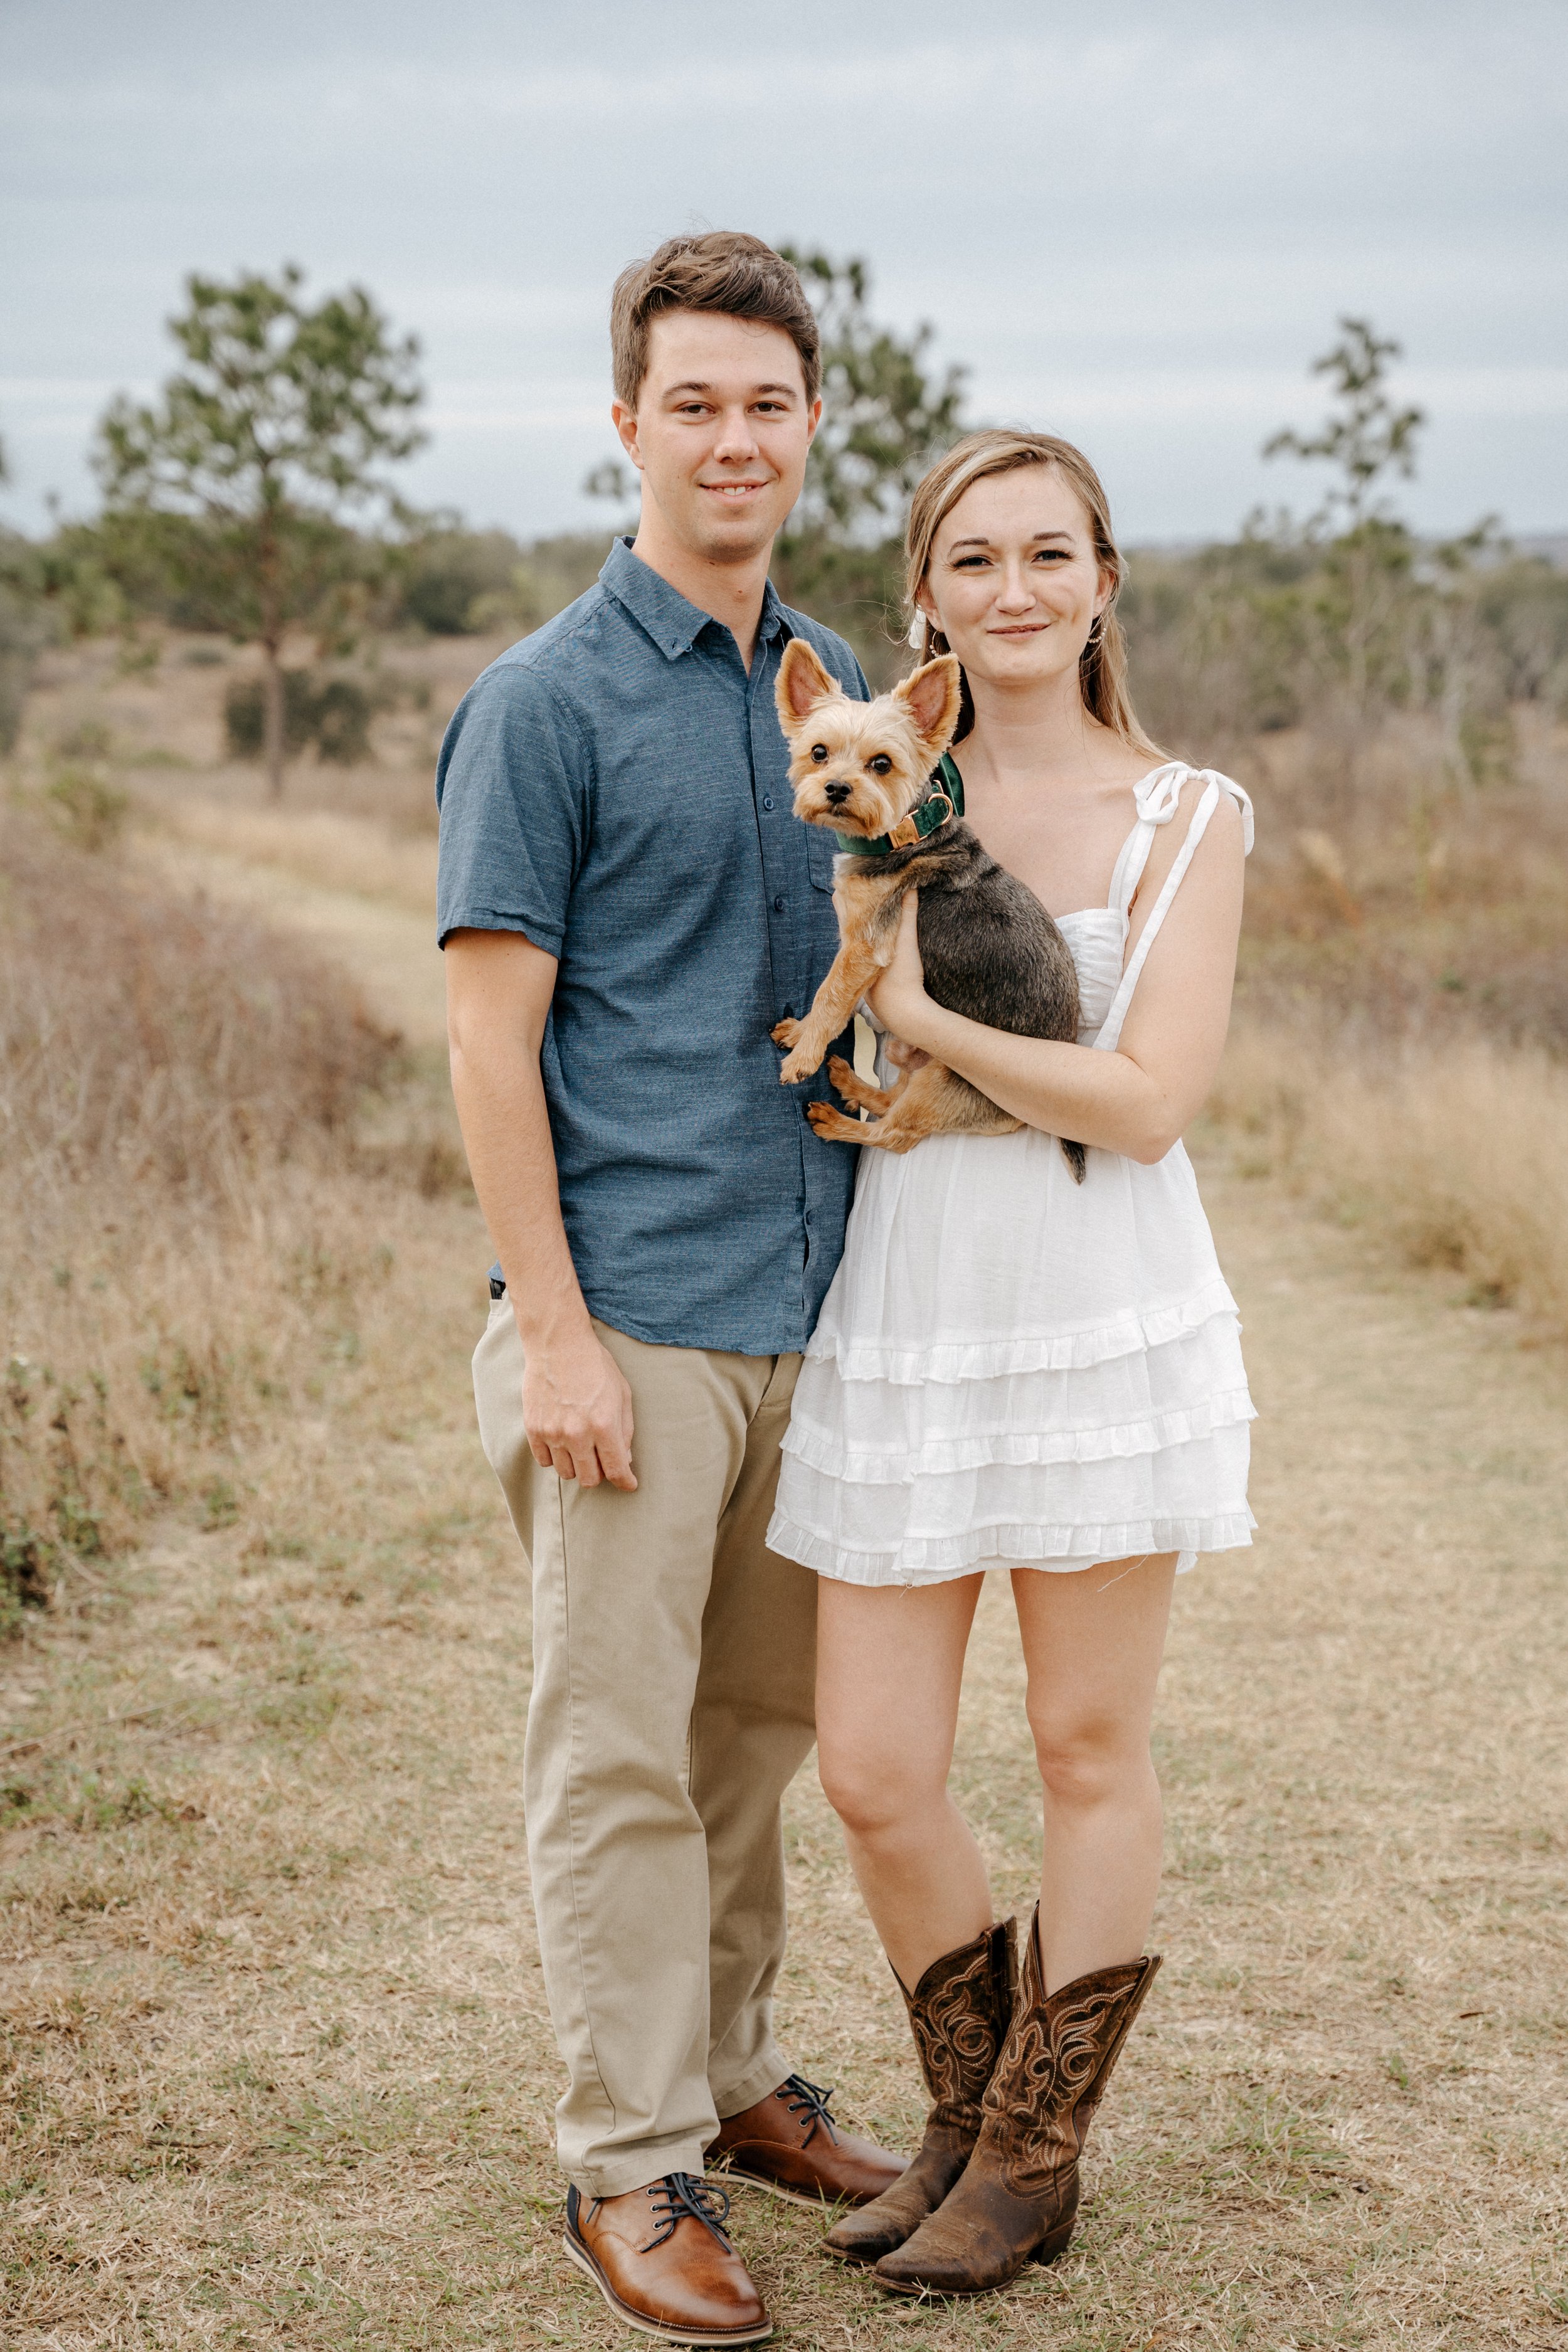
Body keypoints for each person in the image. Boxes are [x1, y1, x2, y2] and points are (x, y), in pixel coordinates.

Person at [438, 233, 904, 2349]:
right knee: (617, 1753)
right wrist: (550, 1331)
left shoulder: (842, 697)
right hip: (625, 1314)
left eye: (767, 403)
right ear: (623, 424)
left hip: (815, 1317)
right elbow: (487, 1043)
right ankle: (627, 2164)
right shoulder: (542, 703)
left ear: (811, 428)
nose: (733, 437)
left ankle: (731, 2078)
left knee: (755, 1739)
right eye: (691, 401)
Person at [766, 428, 1256, 2297]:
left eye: (1050, 554)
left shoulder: (1184, 811)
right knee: (876, 1770)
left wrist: (895, 1009)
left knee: (1080, 1742)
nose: (1015, 587)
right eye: (973, 559)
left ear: (1103, 580)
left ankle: (1033, 2163)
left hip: (1097, 1293)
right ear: (926, 605)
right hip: (912, 1305)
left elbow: (1143, 1107)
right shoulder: (875, 796)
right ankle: (960, 2116)